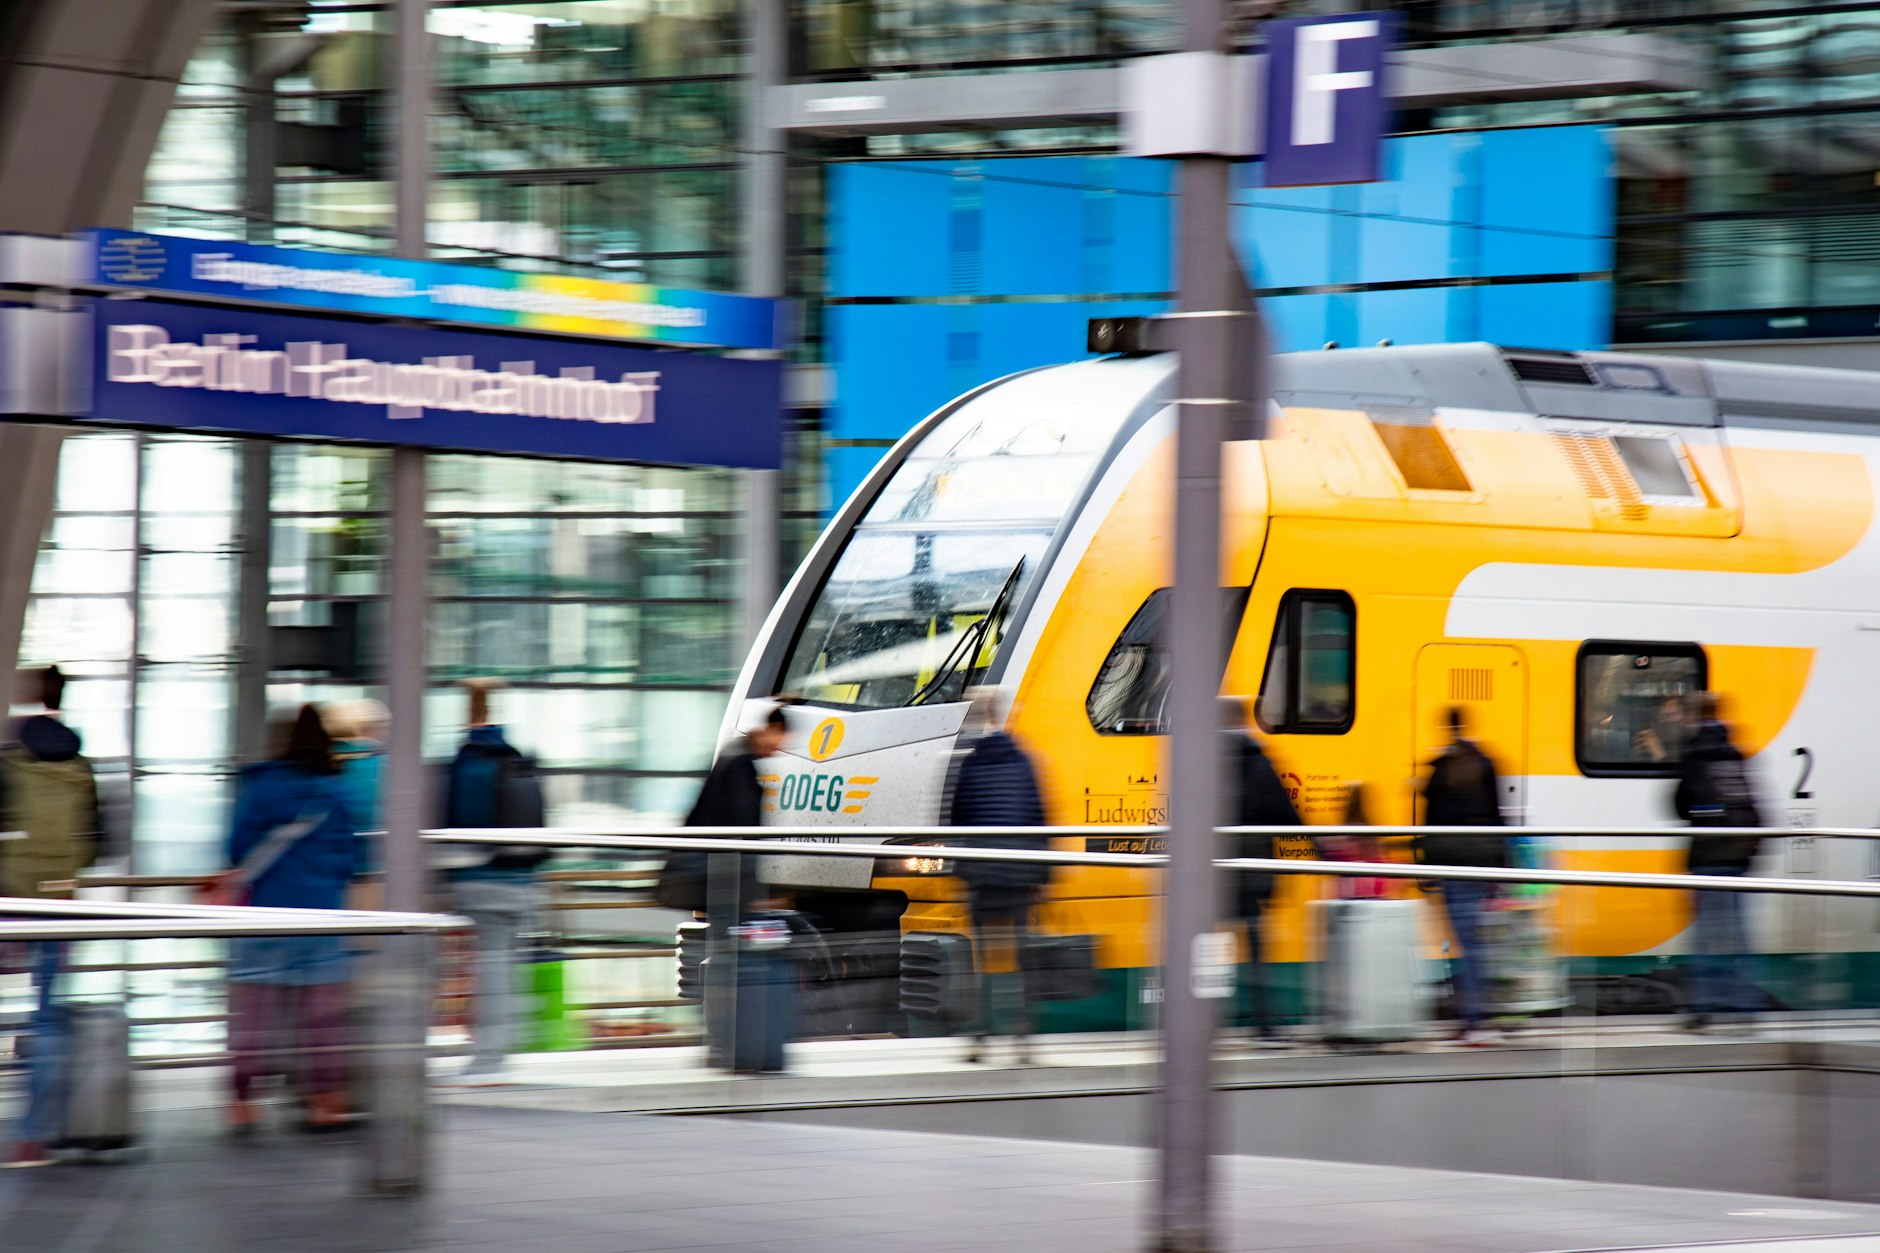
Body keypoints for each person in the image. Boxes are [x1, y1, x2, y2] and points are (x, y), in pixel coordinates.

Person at [224, 705, 363, 1134]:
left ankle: (243, 1101)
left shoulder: (263, 788)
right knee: (322, 1020)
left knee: (256, 1015)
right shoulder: (334, 794)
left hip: (266, 916)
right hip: (322, 917)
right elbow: (351, 859)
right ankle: (324, 1101)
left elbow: (236, 848)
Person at [3, 665, 105, 1167]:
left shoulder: (9, 759)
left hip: (7, 902)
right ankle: (33, 1135)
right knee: (45, 1019)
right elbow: (96, 844)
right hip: (57, 904)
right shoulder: (80, 765)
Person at [442, 679, 549, 1084]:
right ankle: (495, 1054)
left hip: (482, 880)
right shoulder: (515, 756)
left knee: (490, 971)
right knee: (504, 967)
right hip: (522, 878)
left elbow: (464, 825)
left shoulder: (469, 762)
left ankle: (488, 1060)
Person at [947, 689, 1050, 1065]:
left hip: (982, 873)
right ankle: (1023, 1039)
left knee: (984, 958)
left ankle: (980, 1037)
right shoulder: (1024, 760)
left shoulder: (971, 763)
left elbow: (957, 819)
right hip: (1019, 873)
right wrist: (1042, 876)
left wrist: (961, 870)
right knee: (1020, 956)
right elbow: (1038, 817)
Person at [1672, 691, 1766, 1031]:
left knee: (1705, 934)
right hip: (1738, 855)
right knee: (1739, 932)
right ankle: (1746, 1006)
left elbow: (1680, 805)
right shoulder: (1735, 752)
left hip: (1708, 856)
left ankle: (1703, 1006)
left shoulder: (1694, 753)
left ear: (1694, 717)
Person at [1416, 706, 1507, 1046]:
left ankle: (1475, 1018)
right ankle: (1480, 1013)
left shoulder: (1440, 770)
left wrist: (1425, 867)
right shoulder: (1486, 762)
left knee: (1466, 944)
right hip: (1481, 864)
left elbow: (1430, 824)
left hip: (1453, 867)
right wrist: (1501, 868)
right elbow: (1498, 819)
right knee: (1476, 943)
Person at [1223, 698, 1301, 1044]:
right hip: (1253, 870)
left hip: (1214, 872)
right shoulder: (1258, 762)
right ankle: (1263, 1022)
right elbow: (1284, 813)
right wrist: (1316, 848)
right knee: (1256, 947)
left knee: (1205, 945)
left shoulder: (1204, 761)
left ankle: (1201, 1022)